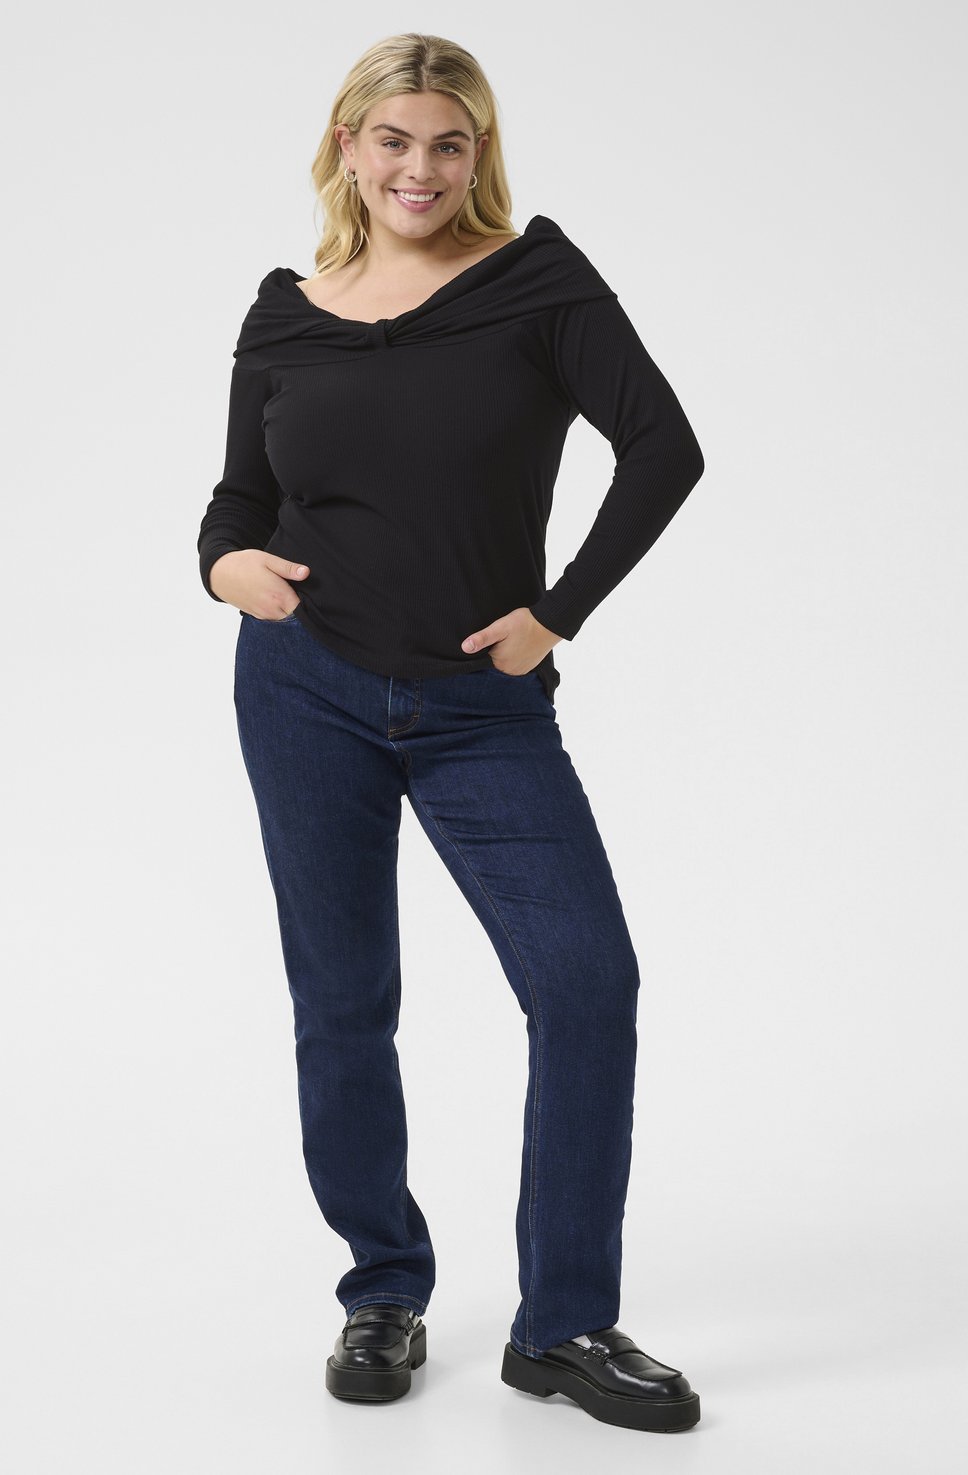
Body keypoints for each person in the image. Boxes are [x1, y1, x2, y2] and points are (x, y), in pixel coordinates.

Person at [196, 33, 705, 1433]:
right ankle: (382, 1288)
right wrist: (223, 566)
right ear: (348, 147)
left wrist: (559, 613)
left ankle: (564, 1325)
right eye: (394, 139)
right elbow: (238, 499)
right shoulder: (284, 313)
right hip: (302, 689)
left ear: (479, 153)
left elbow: (664, 447)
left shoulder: (535, 283)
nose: (419, 168)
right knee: (343, 1001)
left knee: (585, 985)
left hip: (483, 709)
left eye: (449, 142)